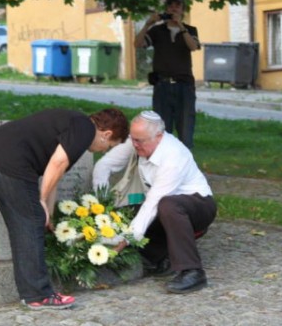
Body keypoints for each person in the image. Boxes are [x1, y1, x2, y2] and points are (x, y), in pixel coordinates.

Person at [0, 108, 129, 309]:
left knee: (24, 224)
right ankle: (38, 295)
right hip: (10, 162)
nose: (104, 150)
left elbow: (55, 172)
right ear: (106, 134)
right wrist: (41, 200)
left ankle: (31, 294)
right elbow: (57, 163)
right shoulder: (84, 129)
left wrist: (48, 212)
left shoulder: (76, 124)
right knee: (29, 224)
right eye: (108, 146)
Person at [92, 111, 216, 294]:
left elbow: (153, 203)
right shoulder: (138, 140)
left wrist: (126, 238)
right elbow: (103, 166)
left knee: (167, 205)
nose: (134, 145)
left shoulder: (174, 155)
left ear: (159, 136)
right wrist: (101, 206)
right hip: (163, 206)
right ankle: (160, 257)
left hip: (197, 207)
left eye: (139, 141)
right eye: (132, 139)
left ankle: (192, 271)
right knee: (121, 215)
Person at [135, 0, 200, 149]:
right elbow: (138, 44)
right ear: (166, 9)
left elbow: (193, 47)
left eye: (177, 6)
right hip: (162, 85)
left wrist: (181, 27)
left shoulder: (190, 30)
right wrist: (148, 24)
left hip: (184, 85)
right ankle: (163, 163)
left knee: (185, 127)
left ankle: (185, 164)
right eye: (170, 6)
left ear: (183, 10)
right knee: (161, 128)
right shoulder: (157, 30)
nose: (174, 9)